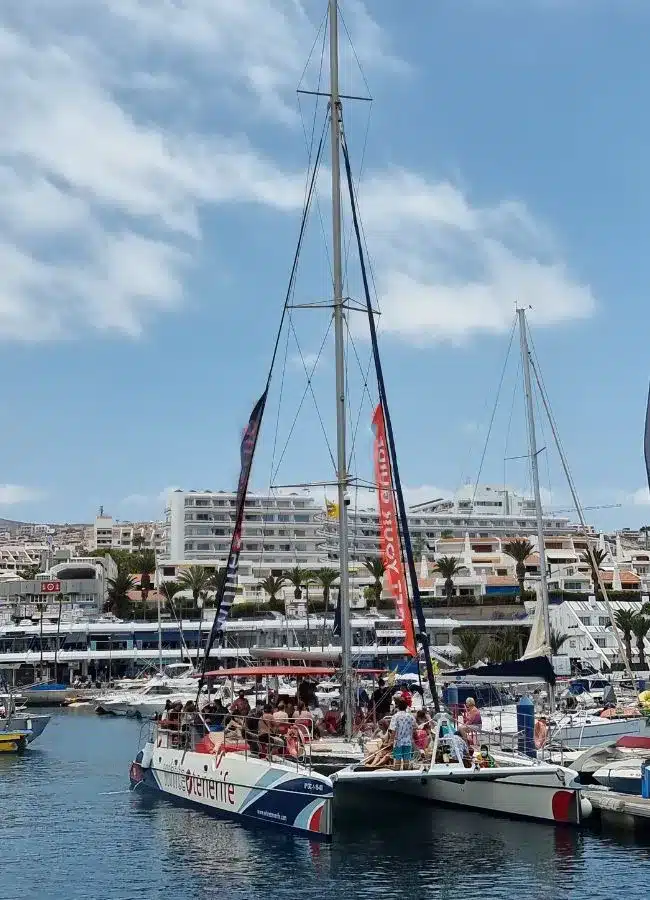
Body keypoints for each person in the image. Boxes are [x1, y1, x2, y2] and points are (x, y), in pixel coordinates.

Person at [388, 697, 416, 771]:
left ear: (397, 706)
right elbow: (415, 727)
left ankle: (397, 774)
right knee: (406, 759)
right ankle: (405, 772)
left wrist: (390, 740)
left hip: (398, 742)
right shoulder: (410, 716)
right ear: (406, 707)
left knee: (398, 759)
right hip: (408, 741)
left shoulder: (395, 716)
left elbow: (393, 730)